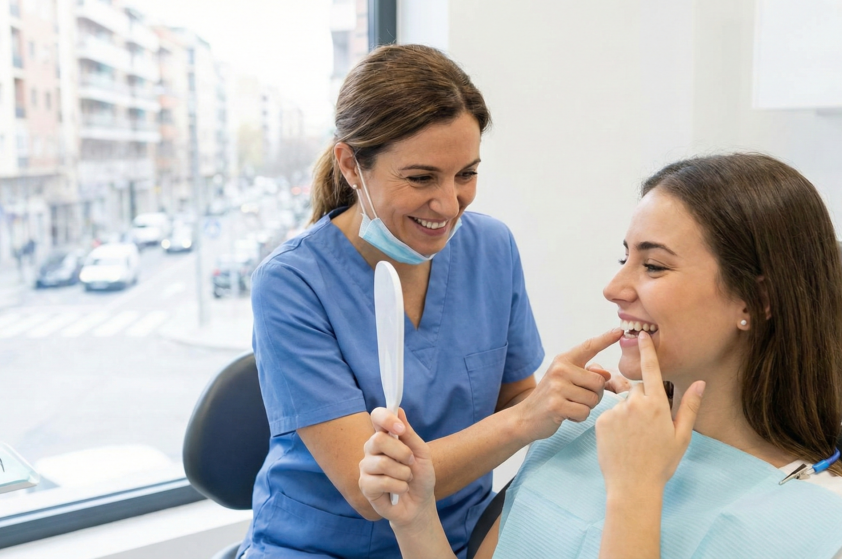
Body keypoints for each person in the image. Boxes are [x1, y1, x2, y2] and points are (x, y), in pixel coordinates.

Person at [359, 154, 842, 559]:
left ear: (757, 301)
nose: (613, 287)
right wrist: (416, 517)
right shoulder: (589, 428)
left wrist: (635, 492)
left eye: (653, 266)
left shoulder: (831, 522)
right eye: (623, 257)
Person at [236, 44, 625, 559]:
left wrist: (574, 400)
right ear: (351, 165)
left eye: (466, 173)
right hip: (322, 547)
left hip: (457, 538)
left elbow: (513, 400)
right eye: (421, 178)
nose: (448, 204)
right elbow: (372, 491)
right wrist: (529, 416)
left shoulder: (491, 248)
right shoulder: (292, 285)